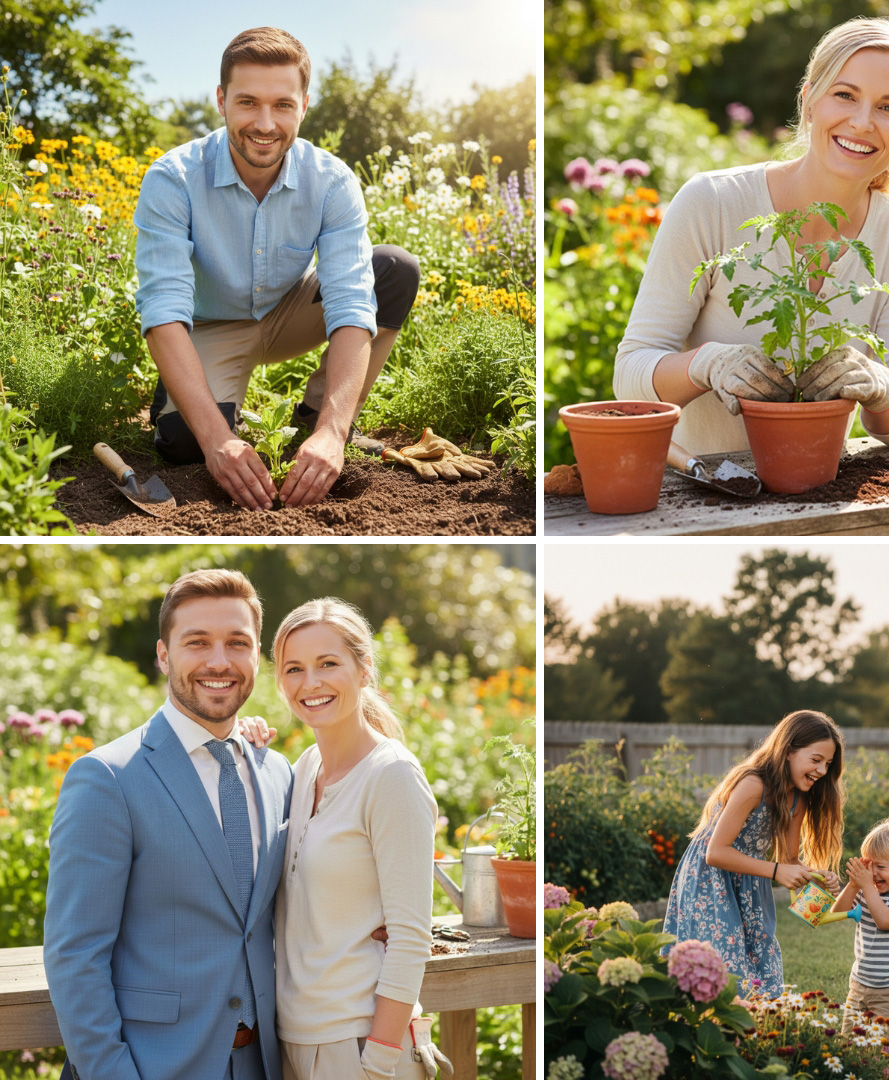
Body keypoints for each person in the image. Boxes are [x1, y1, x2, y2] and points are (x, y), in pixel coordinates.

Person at [614, 17, 889, 455]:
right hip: (700, 494)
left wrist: (882, 387)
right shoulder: (713, 202)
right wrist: (706, 365)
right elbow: (629, 377)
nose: (863, 122)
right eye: (845, 95)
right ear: (809, 102)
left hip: (821, 495)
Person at [135, 27, 421, 511]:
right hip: (210, 322)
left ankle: (317, 422)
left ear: (304, 106)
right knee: (186, 445)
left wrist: (334, 432)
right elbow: (163, 310)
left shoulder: (331, 182)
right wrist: (217, 441)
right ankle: (194, 401)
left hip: (289, 311)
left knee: (394, 268)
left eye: (282, 105)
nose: (265, 124)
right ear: (222, 100)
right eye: (248, 102)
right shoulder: (173, 179)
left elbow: (352, 303)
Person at [43, 569, 294, 1080]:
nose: (219, 661)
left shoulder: (277, 773)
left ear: (256, 655)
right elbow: (75, 955)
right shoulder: (107, 778)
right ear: (163, 655)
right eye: (197, 642)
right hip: (150, 1065)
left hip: (261, 1063)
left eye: (237, 643)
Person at [268, 598, 448, 1080]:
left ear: (364, 668)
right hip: (296, 1038)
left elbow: (411, 938)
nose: (311, 683)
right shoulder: (305, 768)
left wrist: (379, 1061)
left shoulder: (391, 777)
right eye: (294, 669)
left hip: (358, 1043)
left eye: (329, 664)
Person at [663, 711, 845, 996]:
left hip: (750, 879)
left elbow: (787, 860)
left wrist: (815, 877)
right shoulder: (753, 785)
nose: (822, 771)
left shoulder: (798, 798)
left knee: (760, 953)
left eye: (828, 764)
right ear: (788, 751)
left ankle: (758, 1025)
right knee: (723, 958)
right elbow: (715, 852)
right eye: (816, 760)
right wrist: (775, 871)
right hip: (711, 879)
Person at [831, 818, 889, 1048]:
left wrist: (864, 886)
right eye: (869, 865)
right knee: (850, 1045)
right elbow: (838, 911)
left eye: (881, 867)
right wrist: (854, 885)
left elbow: (885, 921)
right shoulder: (866, 891)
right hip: (859, 984)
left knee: (883, 1049)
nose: (872, 873)